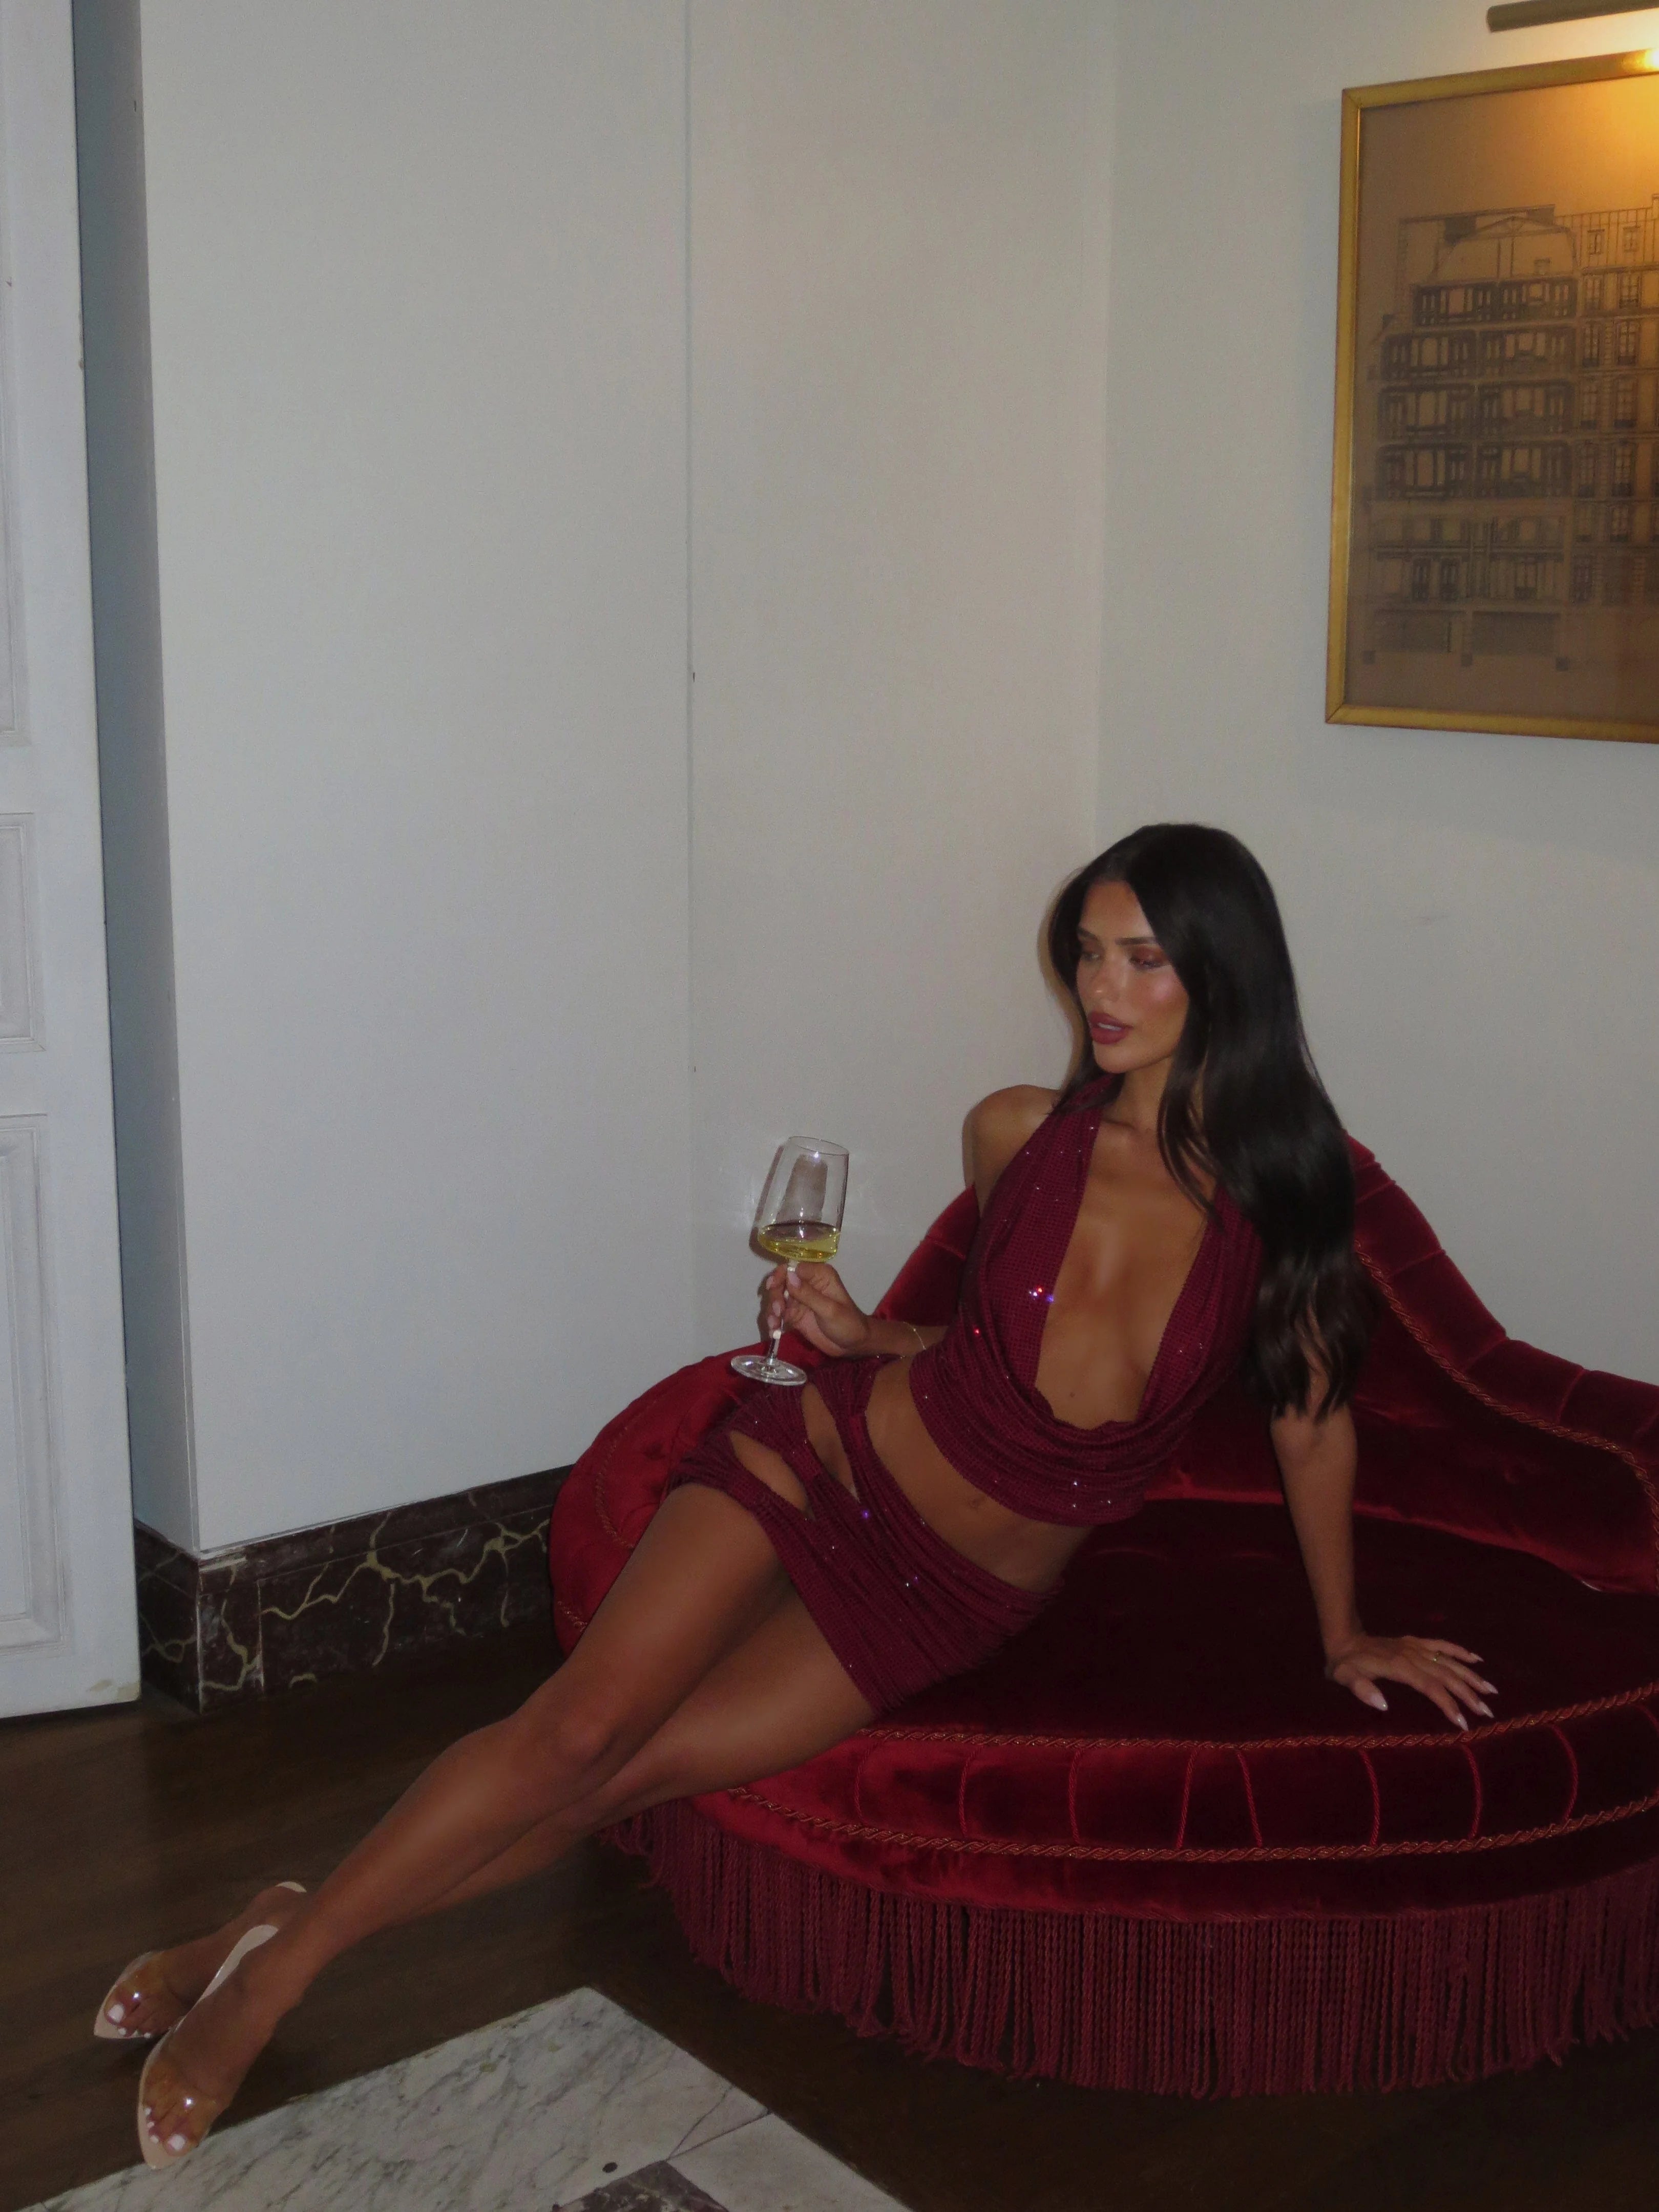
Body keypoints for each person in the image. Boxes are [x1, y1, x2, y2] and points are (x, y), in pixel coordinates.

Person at [107, 822, 1494, 2166]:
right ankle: (271, 1989)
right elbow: (983, 1348)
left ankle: (278, 1922)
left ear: (1226, 974)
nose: (1101, 990)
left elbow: (1314, 1429)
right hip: (819, 1463)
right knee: (574, 1735)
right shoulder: (1017, 1132)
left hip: (950, 1597)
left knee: (620, 1781)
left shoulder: (1286, 1203)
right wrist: (860, 1335)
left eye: (1143, 959)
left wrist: (1344, 1635)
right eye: (1087, 952)